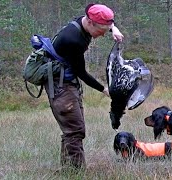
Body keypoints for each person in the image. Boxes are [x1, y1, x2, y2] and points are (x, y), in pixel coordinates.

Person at [44, 3, 124, 170]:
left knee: (72, 128)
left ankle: (68, 169)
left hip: (67, 82)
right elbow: (82, 73)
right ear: (89, 22)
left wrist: (113, 29)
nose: (102, 35)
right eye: (100, 32)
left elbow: (101, 16)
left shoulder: (82, 22)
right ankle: (76, 171)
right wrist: (104, 89)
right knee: (75, 130)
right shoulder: (73, 40)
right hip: (60, 86)